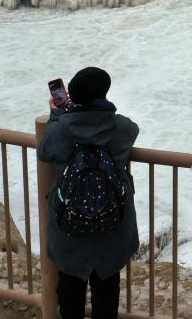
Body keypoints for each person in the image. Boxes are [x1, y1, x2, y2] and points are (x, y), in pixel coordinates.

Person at [38, 67, 139, 319]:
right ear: (104, 94)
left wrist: (58, 114)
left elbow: (45, 152)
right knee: (107, 286)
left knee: (70, 286)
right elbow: (133, 130)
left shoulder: (60, 129)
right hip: (112, 223)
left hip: (69, 222)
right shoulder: (122, 128)